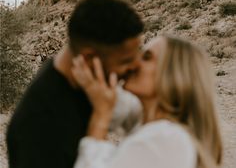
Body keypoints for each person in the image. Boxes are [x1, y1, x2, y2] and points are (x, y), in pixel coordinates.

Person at [7, 0, 144, 168]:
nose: (136, 67)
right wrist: (100, 119)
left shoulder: (89, 84)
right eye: (126, 62)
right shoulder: (38, 129)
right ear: (88, 59)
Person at [72, 35, 223, 168]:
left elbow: (108, 107)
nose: (135, 62)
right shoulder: (152, 122)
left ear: (173, 76)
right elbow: (117, 104)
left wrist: (101, 116)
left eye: (147, 57)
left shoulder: (164, 141)